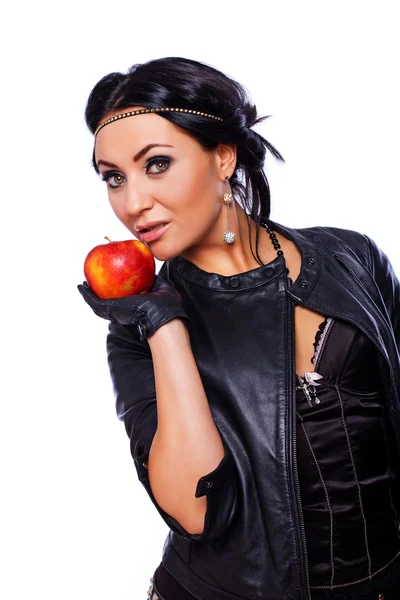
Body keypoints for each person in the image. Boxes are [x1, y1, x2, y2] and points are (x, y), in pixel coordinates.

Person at [77, 57, 400, 600]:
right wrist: (166, 328)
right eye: (114, 178)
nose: (132, 204)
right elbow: (198, 511)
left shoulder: (352, 257)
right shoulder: (138, 330)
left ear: (223, 157)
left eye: (155, 165)